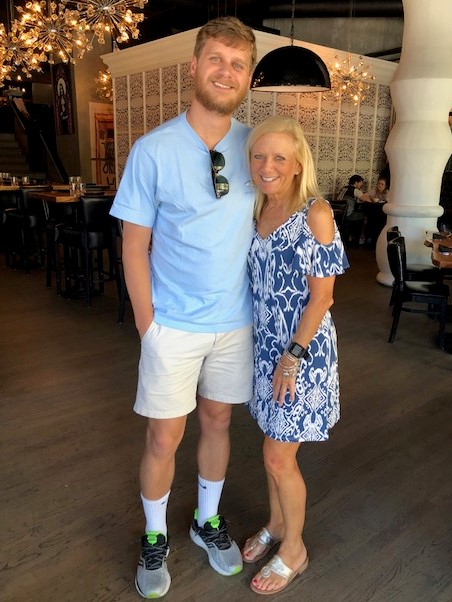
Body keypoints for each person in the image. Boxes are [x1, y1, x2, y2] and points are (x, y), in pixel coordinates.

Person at [109, 17, 257, 599]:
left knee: (218, 422)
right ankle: (154, 535)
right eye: (216, 59)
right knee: (163, 436)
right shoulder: (154, 150)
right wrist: (148, 326)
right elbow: (133, 246)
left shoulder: (256, 148)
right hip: (172, 325)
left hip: (235, 322)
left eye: (238, 64)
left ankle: (206, 520)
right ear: (194, 67)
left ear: (247, 77)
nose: (226, 71)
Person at [242, 116, 349, 595]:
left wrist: (292, 357)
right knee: (271, 446)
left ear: (298, 163)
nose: (267, 166)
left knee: (277, 455)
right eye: (259, 156)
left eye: (279, 157)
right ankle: (277, 524)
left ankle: (294, 550)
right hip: (264, 347)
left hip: (301, 353)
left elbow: (323, 297)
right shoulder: (258, 207)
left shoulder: (315, 212)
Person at [339, 174, 371, 245]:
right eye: (360, 183)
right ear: (356, 182)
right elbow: (368, 200)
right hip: (348, 215)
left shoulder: (343, 188)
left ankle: (350, 235)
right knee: (364, 216)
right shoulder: (355, 190)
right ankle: (360, 237)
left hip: (339, 215)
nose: (361, 185)